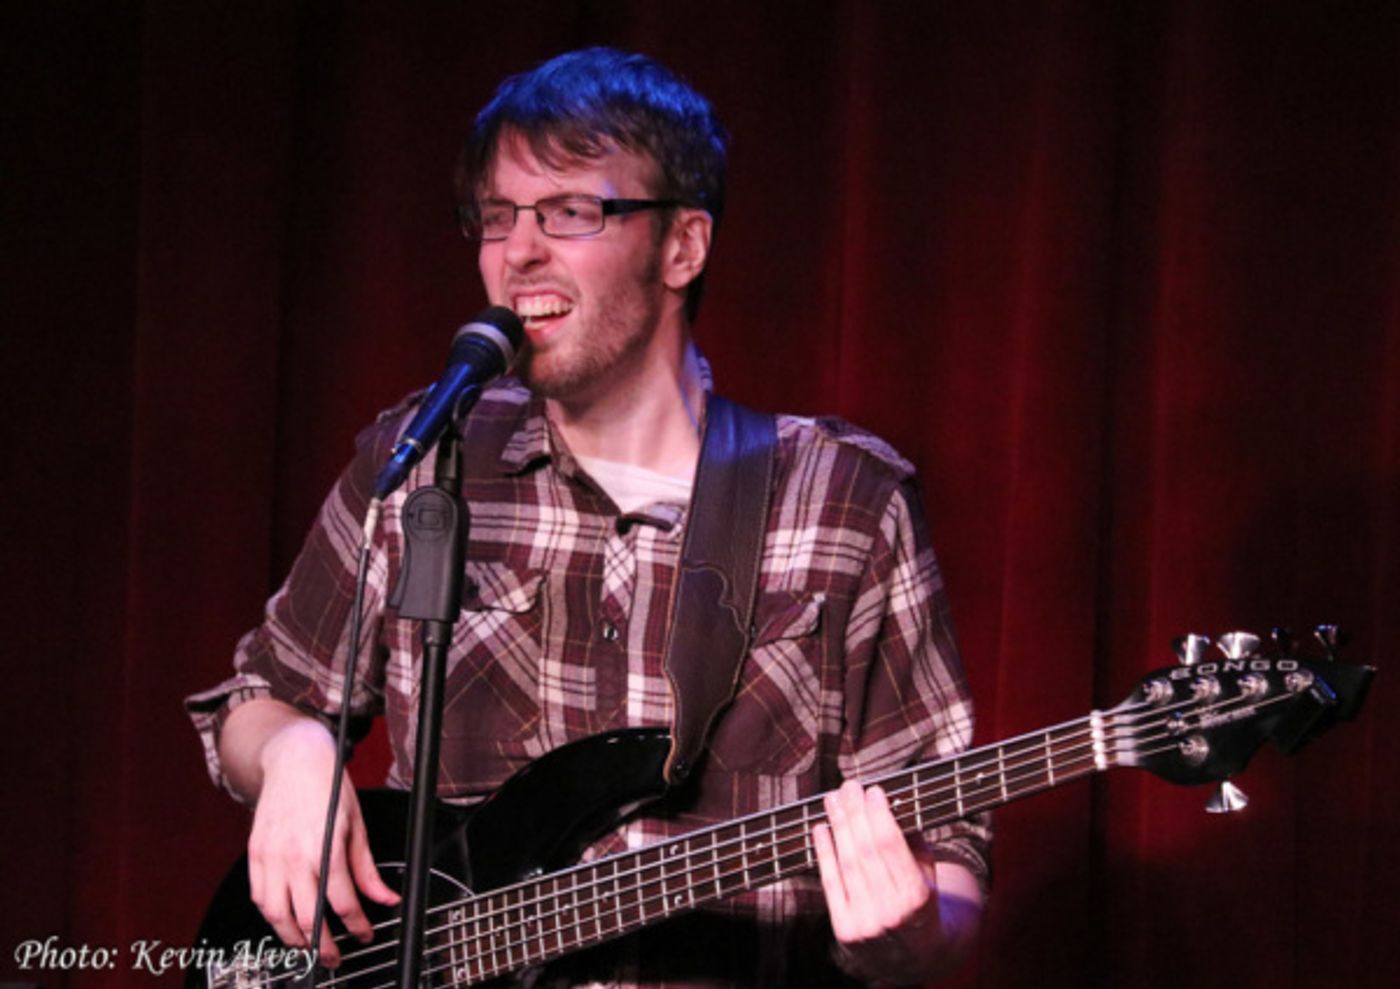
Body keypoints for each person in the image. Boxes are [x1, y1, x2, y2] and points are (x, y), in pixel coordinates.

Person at [188, 47, 990, 987]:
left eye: (569, 212)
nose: (515, 251)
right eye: (496, 216)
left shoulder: (845, 499)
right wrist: (293, 747)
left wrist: (912, 932)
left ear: (682, 246)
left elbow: (952, 861)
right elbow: (255, 699)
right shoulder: (425, 456)